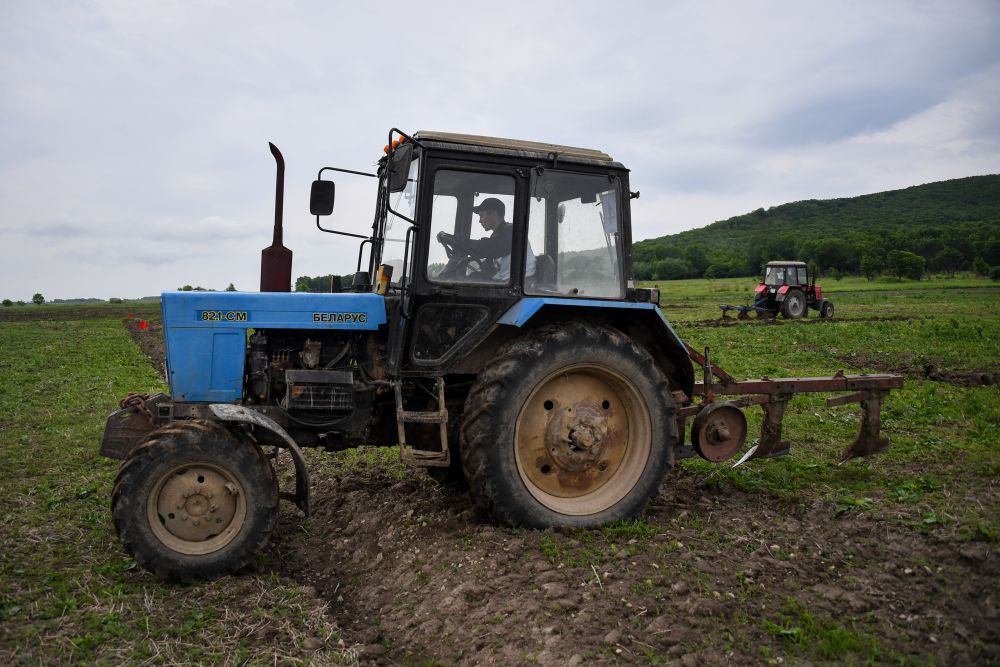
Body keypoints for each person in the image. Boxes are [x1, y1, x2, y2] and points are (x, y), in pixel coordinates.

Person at [438, 197, 535, 282]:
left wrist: (453, 239)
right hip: (508, 281)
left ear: (494, 213)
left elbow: (485, 248)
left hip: (523, 283)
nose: (480, 220)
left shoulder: (512, 232)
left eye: (481, 215)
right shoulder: (498, 236)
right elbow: (490, 269)